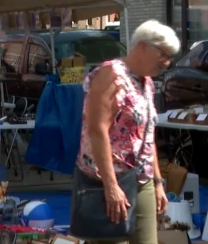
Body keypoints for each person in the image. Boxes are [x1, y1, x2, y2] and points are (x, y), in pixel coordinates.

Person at [76, 19, 180, 244]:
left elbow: (147, 134)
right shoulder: (110, 75)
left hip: (142, 180)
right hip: (109, 181)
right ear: (143, 46)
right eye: (164, 54)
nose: (167, 62)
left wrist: (158, 182)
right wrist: (110, 185)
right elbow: (97, 131)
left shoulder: (148, 82)